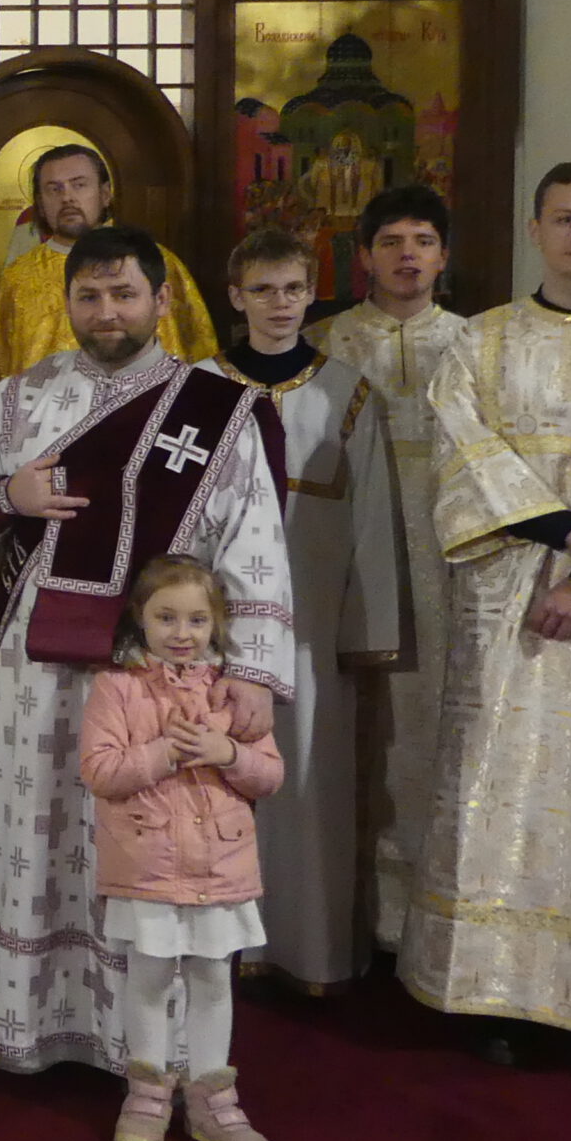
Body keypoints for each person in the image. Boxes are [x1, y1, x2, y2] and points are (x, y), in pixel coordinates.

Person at [0, 225, 291, 1074]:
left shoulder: (214, 408)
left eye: (124, 294)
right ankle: (29, 1024)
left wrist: (252, 673)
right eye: (88, 296)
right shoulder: (22, 398)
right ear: (68, 303)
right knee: (38, 830)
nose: (106, 312)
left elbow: (255, 542)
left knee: (146, 839)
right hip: (38, 668)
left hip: (165, 669)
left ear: (161, 300)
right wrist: (5, 495)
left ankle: (147, 1049)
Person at [400, 160, 571, 1081]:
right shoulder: (481, 343)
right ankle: (493, 993)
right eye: (568, 218)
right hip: (508, 591)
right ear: (535, 227)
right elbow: (464, 454)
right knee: (495, 786)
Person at [202, 229, 399, 989]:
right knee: (211, 771)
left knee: (310, 779)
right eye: (262, 290)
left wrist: (367, 629)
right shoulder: (197, 387)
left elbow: (372, 519)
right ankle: (219, 945)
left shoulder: (347, 391)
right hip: (212, 619)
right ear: (236, 297)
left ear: (312, 294)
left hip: (313, 620)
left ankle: (306, 949)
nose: (279, 304)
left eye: (292, 289)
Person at [82, 555, 284, 1141]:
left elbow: (270, 776)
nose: (181, 632)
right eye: (166, 617)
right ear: (140, 618)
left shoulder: (234, 692)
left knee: (213, 979)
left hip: (221, 866)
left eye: (197, 619)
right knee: (148, 977)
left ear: (216, 623)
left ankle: (211, 1102)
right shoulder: (115, 687)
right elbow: (100, 771)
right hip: (146, 863)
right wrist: (165, 752)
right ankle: (146, 1096)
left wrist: (229, 753)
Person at [305, 184, 463, 946]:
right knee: (346, 724)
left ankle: (422, 921)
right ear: (364, 256)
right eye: (392, 242)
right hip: (345, 559)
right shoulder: (321, 342)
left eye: (423, 242)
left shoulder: (475, 343)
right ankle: (346, 914)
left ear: (443, 256)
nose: (408, 256)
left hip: (448, 564)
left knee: (431, 725)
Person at [0, 143, 215, 379]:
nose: (67, 198)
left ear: (105, 194)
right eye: (54, 189)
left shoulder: (159, 262)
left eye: (79, 185)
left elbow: (199, 350)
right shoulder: (17, 279)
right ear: (41, 204)